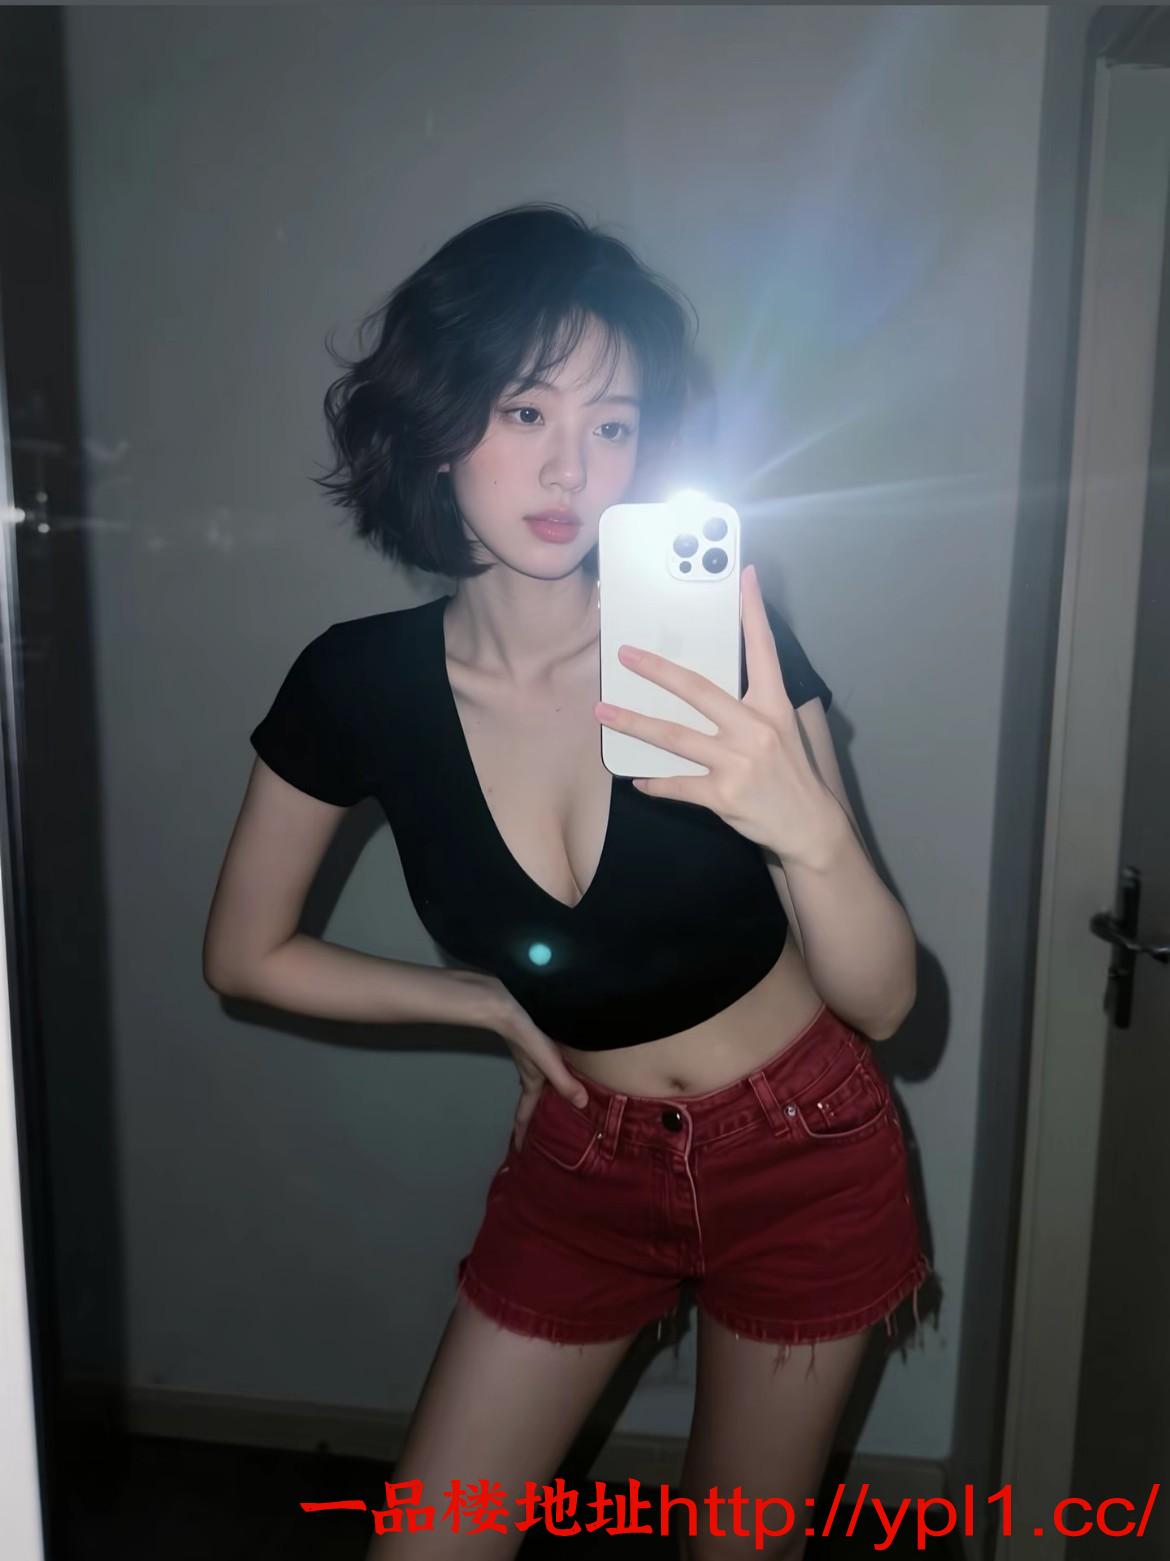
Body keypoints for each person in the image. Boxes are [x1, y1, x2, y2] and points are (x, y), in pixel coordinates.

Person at [203, 203, 930, 1561]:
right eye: (524, 409)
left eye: (613, 424)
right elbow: (247, 953)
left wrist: (808, 831)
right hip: (581, 1160)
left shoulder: (721, 642)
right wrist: (484, 1003)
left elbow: (888, 1002)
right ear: (436, 422)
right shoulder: (353, 683)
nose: (569, 466)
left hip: (805, 1147)